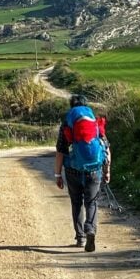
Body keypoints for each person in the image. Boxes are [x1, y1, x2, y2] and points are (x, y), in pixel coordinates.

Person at [54, 94, 111, 252]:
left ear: (71, 106)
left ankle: (80, 237)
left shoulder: (68, 124)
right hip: (94, 169)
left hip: (73, 170)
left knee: (76, 202)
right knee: (91, 202)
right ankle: (90, 229)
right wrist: (107, 171)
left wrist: (57, 175)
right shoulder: (94, 122)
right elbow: (105, 148)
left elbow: (60, 151)